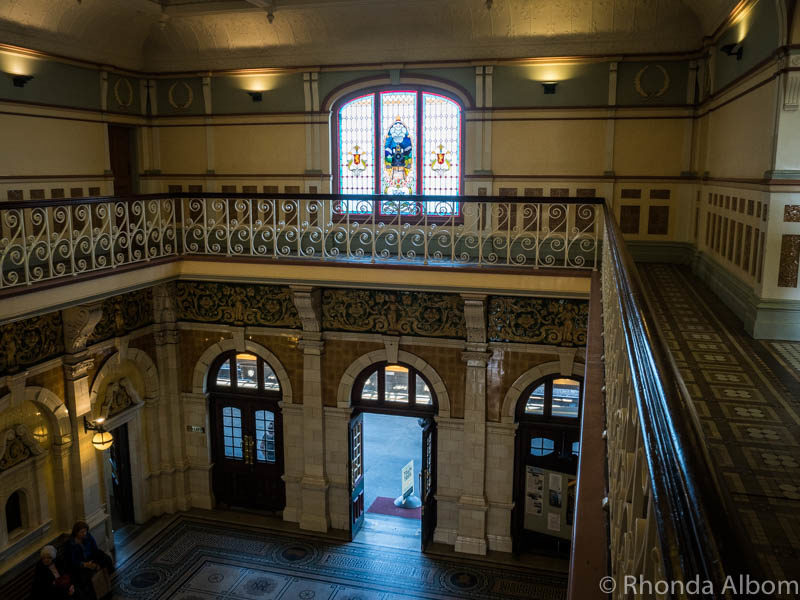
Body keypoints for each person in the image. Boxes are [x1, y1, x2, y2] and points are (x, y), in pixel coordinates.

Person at [66, 522, 113, 598]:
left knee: (106, 559)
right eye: (82, 532)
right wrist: (85, 564)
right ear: (76, 532)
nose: (84, 534)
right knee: (86, 575)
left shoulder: (88, 537)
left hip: (91, 558)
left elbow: (94, 549)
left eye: (85, 531)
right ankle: (95, 593)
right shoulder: (71, 544)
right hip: (80, 564)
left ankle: (106, 586)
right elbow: (72, 561)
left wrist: (96, 563)